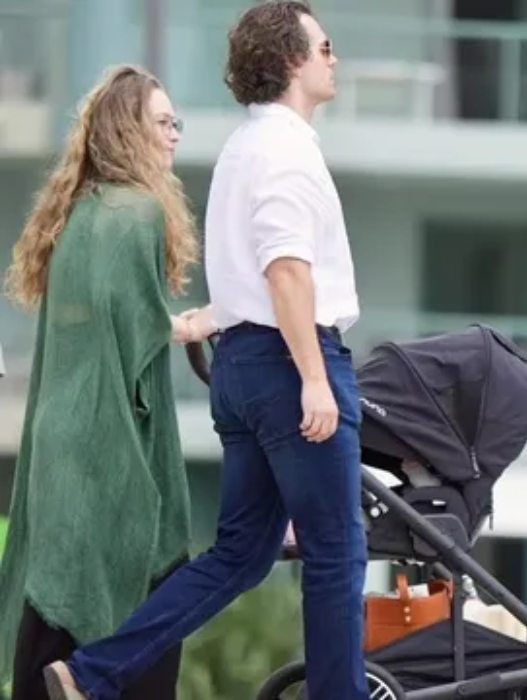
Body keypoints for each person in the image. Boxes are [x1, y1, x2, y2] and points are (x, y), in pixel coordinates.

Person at [44, 3, 369, 699]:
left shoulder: (243, 147)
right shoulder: (287, 151)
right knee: (337, 553)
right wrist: (314, 377)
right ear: (291, 60)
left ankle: (90, 672)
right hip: (291, 365)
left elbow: (249, 271)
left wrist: (209, 322)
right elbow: (285, 269)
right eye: (325, 46)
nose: (334, 58)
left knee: (241, 554)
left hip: (242, 365)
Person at [0, 65, 214, 700]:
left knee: (57, 597)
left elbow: (105, 319)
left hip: (62, 437)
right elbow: (136, 328)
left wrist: (166, 325)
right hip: (107, 437)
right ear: (129, 131)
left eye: (176, 122)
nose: (174, 134)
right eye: (163, 122)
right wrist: (188, 325)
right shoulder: (138, 212)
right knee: (145, 594)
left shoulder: (80, 213)